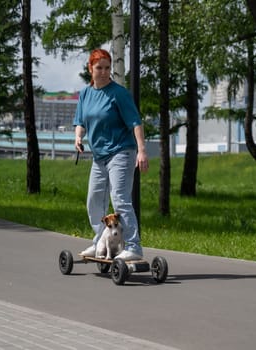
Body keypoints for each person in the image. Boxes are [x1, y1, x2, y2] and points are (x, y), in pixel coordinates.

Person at [73, 48, 149, 261]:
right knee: (94, 201)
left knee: (120, 199)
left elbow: (135, 123)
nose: (104, 72)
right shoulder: (86, 94)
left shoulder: (119, 94)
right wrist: (78, 137)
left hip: (121, 152)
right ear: (90, 68)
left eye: (107, 68)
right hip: (99, 157)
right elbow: (80, 121)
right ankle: (100, 241)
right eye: (99, 68)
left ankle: (133, 246)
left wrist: (141, 151)